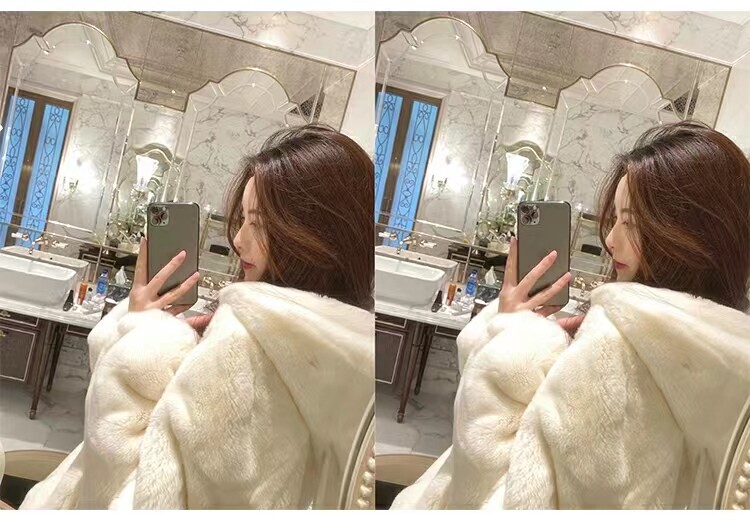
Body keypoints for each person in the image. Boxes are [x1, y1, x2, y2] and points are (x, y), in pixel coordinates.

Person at [391, 121, 750, 509]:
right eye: (615, 220)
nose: (610, 240)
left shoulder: (617, 348)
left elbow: (500, 500)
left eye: (631, 223)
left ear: (688, 234)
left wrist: (511, 338)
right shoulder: (723, 354)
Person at [21, 124, 374, 509]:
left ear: (313, 236)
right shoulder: (339, 345)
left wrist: (140, 334)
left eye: (259, 224)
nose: (238, 240)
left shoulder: (245, 347)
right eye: (243, 220)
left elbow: (138, 499)